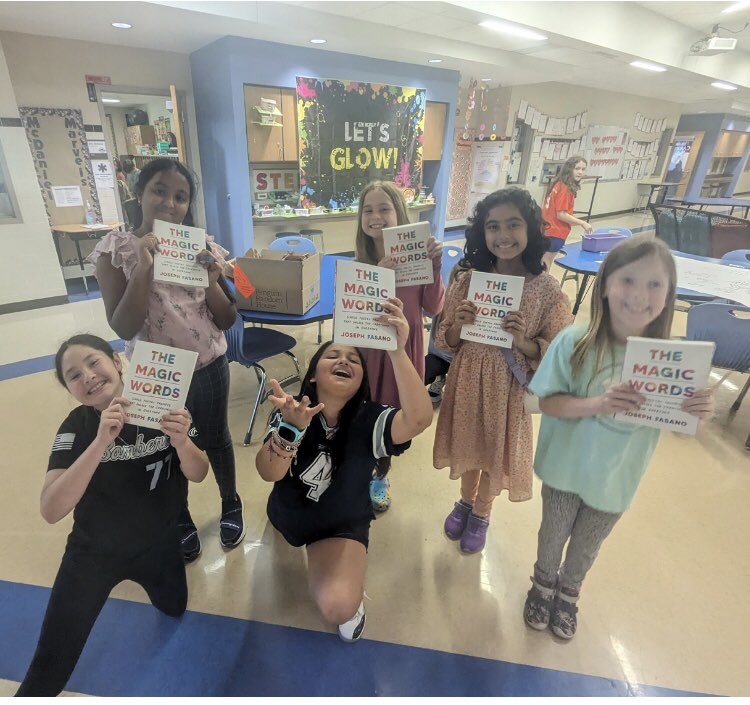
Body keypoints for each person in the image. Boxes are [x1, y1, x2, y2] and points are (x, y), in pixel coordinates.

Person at [522, 235, 715, 640]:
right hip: (565, 469)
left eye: (654, 285)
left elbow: (684, 430)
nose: (639, 296)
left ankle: (569, 593)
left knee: (586, 547)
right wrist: (598, 404)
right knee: (552, 536)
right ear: (606, 284)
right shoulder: (574, 342)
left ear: (668, 295)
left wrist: (698, 416)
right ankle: (541, 585)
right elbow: (543, 403)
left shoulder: (674, 361)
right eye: (628, 280)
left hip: (616, 478)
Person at [16, 335, 208, 696]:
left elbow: (199, 473)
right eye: (73, 375)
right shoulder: (76, 427)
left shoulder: (166, 410)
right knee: (47, 669)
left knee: (174, 608)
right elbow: (51, 509)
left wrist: (182, 441)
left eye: (93, 362)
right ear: (70, 390)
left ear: (118, 361)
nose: (86, 376)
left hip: (160, 542)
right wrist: (100, 442)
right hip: (93, 552)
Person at [88, 157, 243, 563]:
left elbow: (227, 317)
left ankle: (231, 503)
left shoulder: (201, 245)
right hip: (155, 373)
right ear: (139, 193)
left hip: (207, 364)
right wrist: (143, 268)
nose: (170, 204)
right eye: (159, 191)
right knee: (166, 444)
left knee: (216, 439)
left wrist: (212, 280)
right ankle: (179, 517)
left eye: (181, 197)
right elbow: (123, 326)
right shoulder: (115, 250)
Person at [255, 298, 432, 642]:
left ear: (362, 381)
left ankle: (349, 584)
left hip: (341, 523)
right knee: (282, 525)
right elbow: (268, 472)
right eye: (332, 355)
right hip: (288, 513)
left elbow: (419, 419)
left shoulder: (371, 417)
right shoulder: (293, 411)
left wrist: (397, 351)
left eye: (354, 359)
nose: (343, 360)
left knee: (338, 607)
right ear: (312, 375)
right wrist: (290, 432)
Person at [433, 188, 572, 554]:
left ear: (531, 230)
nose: (503, 235)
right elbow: (444, 339)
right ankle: (465, 500)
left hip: (508, 388)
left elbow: (558, 353)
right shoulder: (466, 280)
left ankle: (482, 511)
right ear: (482, 233)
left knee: (495, 449)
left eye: (514, 224)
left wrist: (524, 341)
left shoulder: (546, 291)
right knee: (467, 444)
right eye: (493, 226)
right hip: (466, 379)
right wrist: (459, 326)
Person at [355, 180, 444, 512]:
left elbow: (434, 308)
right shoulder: (360, 259)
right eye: (368, 210)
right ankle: (357, 468)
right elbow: (350, 313)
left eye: (384, 208)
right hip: (366, 353)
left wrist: (435, 267)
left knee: (392, 416)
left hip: (401, 354)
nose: (375, 216)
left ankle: (380, 474)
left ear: (399, 214)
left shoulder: (418, 257)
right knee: (361, 412)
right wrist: (375, 278)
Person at [541, 155, 593, 272]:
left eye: (583, 169)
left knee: (544, 261)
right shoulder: (565, 188)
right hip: (554, 231)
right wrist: (582, 223)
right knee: (546, 262)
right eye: (577, 168)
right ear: (569, 169)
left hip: (547, 228)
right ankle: (542, 286)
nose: (580, 172)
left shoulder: (558, 183)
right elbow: (561, 214)